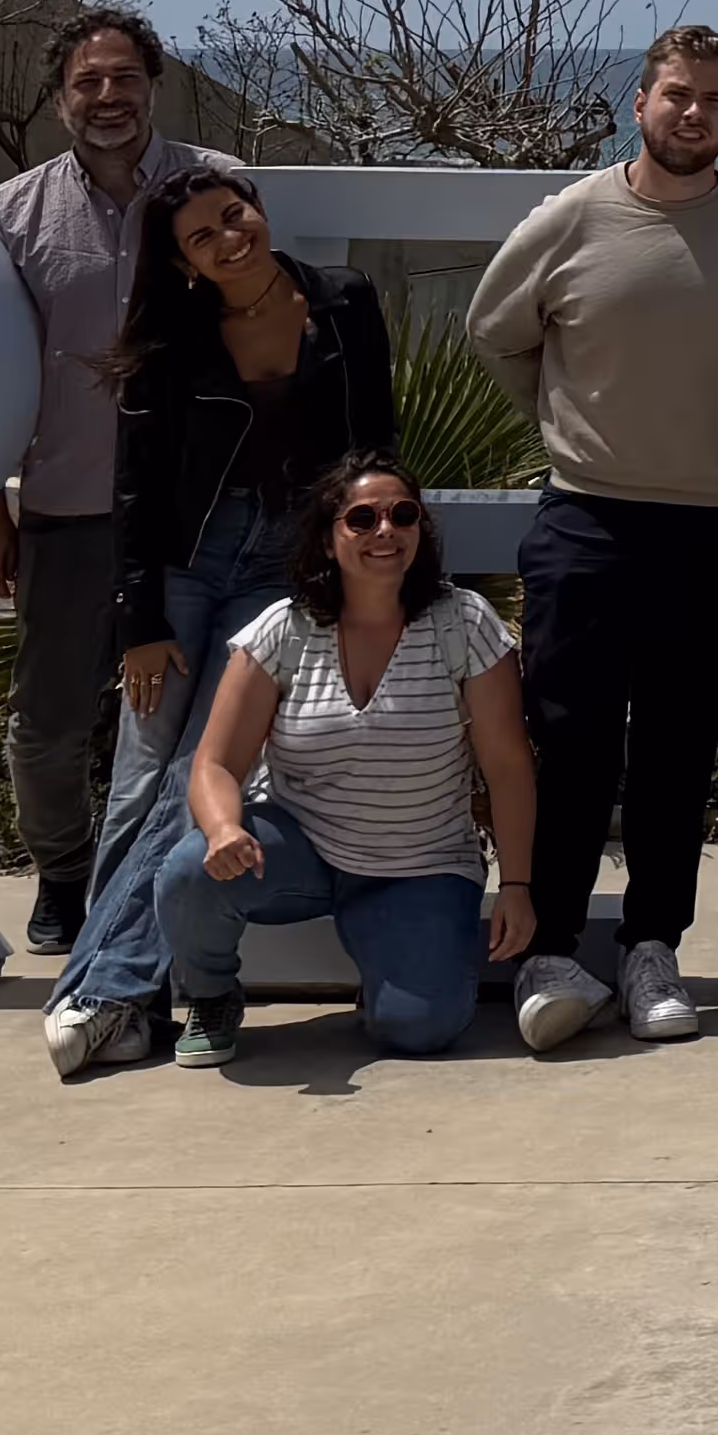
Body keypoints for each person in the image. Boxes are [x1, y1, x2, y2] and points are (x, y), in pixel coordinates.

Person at [467, 23, 718, 1056]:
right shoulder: (575, 216)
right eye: (677, 94)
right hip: (588, 520)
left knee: (678, 752)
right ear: (640, 101)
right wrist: (569, 420)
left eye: (715, 99)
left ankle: (654, 948)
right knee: (569, 743)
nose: (693, 113)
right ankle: (557, 950)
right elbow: (497, 331)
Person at [45, 171, 403, 1076]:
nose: (229, 237)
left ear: (259, 210)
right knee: (142, 776)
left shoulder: (344, 301)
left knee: (203, 771)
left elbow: (377, 441)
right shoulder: (172, 340)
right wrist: (140, 619)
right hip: (185, 566)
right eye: (203, 235)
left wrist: (365, 563)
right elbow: (134, 484)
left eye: (233, 214)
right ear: (183, 262)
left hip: (283, 562)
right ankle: (116, 994)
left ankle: (103, 995)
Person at [0, 8, 251, 955]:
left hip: (199, 516)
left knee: (207, 733)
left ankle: (175, 894)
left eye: (123, 79)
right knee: (49, 724)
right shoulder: (10, 217)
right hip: (68, 508)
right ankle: (62, 877)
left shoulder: (218, 192)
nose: (107, 98)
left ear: (152, 85)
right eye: (87, 82)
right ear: (61, 99)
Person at [155, 456, 532, 1068]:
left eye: (402, 515)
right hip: (302, 847)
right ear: (329, 539)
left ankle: (392, 971)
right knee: (188, 871)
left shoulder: (462, 622)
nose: (385, 531)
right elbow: (216, 764)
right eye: (362, 519)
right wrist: (224, 829)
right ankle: (211, 995)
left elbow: (508, 765)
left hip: (422, 864)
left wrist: (516, 885)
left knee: (421, 1030)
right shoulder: (284, 629)